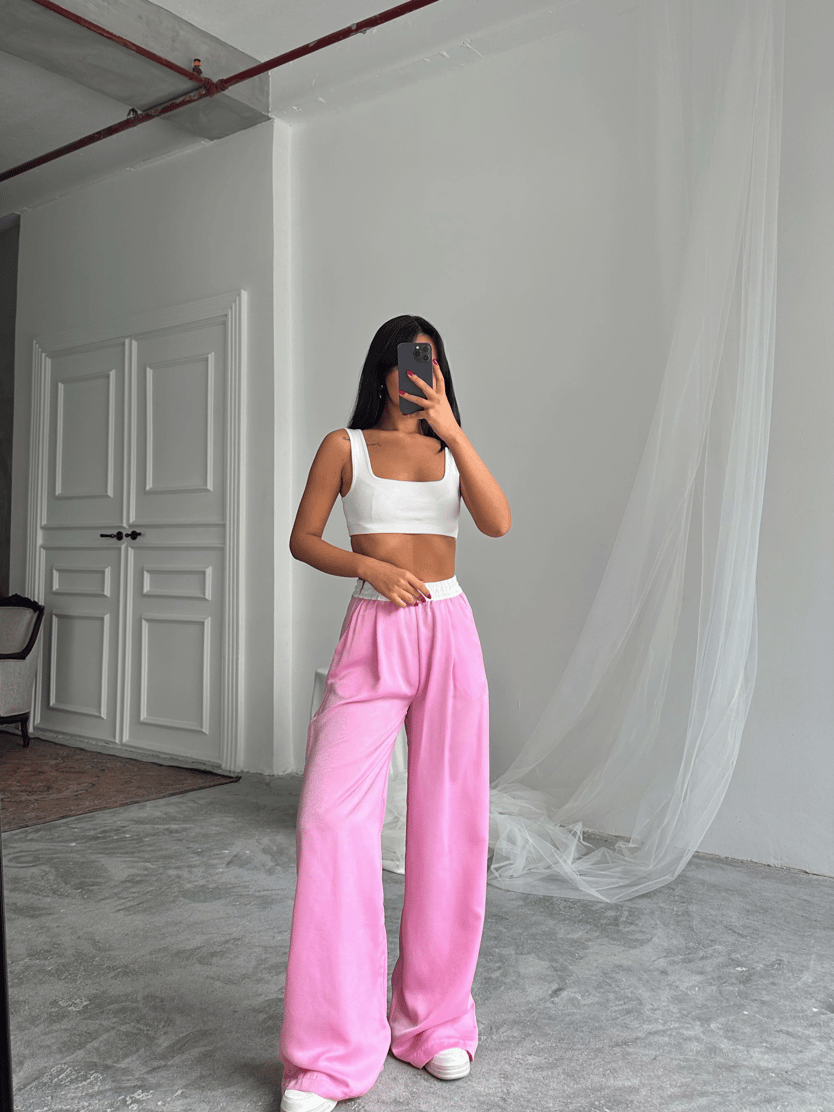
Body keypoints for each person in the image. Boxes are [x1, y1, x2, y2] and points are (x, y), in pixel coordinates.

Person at [279, 315, 511, 1112]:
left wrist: (452, 428)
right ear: (383, 370)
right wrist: (369, 567)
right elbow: (303, 539)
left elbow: (497, 520)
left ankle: (433, 1020)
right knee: (329, 820)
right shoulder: (344, 447)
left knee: (449, 823)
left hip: (450, 629)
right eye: (411, 360)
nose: (422, 371)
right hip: (375, 630)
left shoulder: (450, 451)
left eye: (433, 361)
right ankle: (330, 1054)